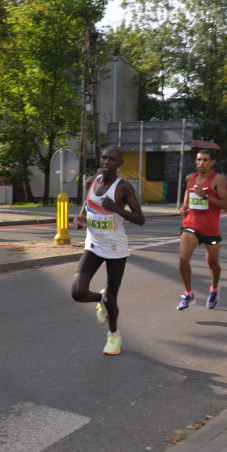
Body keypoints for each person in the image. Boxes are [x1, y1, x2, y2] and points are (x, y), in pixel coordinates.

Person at [72, 146, 145, 355]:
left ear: (120, 164)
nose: (106, 162)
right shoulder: (91, 181)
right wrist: (81, 217)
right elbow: (88, 203)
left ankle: (113, 335)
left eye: (112, 159)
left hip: (116, 249)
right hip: (94, 244)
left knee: (113, 297)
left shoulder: (123, 187)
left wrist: (116, 208)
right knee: (78, 292)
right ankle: (99, 299)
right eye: (104, 158)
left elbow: (140, 219)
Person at [177, 149, 227, 311]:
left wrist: (206, 196)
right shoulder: (190, 178)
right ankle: (188, 294)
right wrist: (185, 205)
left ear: (211, 163)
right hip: (191, 224)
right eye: (199, 160)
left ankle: (214, 290)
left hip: (210, 228)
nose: (201, 163)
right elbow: (189, 190)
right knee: (183, 259)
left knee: (212, 263)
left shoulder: (217, 180)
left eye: (205, 160)